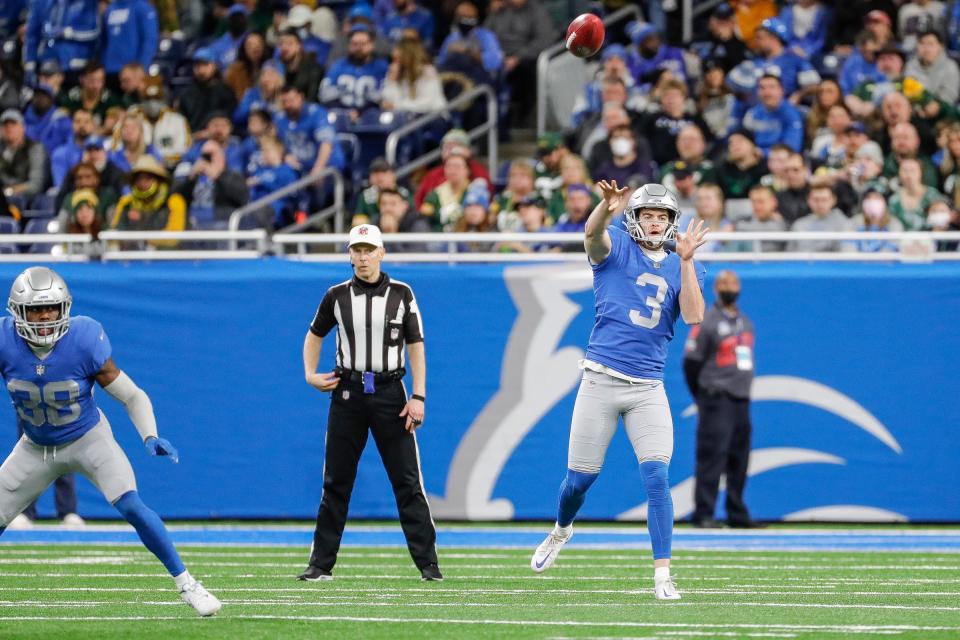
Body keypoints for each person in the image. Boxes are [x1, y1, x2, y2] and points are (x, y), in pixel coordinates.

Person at [0, 267, 221, 616]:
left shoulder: (84, 339)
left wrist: (150, 435)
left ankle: (188, 585)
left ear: (65, 308)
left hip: (87, 438)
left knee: (131, 505)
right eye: (35, 310)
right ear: (17, 313)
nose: (45, 316)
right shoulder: (4, 341)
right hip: (36, 447)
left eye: (52, 308)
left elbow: (132, 396)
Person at [530, 180, 708, 601]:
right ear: (634, 217)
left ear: (671, 223)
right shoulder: (617, 247)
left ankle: (662, 575)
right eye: (647, 214)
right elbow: (591, 235)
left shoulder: (687, 263)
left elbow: (695, 316)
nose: (653, 222)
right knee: (579, 480)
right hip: (601, 379)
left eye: (661, 216)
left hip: (648, 386)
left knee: (657, 475)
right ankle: (561, 530)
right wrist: (604, 208)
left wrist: (685, 262)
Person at [298, 224, 440, 583]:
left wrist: (419, 395)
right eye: (356, 250)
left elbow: (416, 346)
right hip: (347, 392)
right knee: (336, 481)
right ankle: (320, 565)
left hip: (392, 394)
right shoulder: (336, 295)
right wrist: (310, 373)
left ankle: (429, 565)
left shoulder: (402, 293)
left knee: (407, 480)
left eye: (368, 249)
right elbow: (314, 334)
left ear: (381, 252)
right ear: (349, 254)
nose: (362, 256)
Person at [683, 269, 759, 529]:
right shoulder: (707, 320)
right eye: (725, 283)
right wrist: (704, 394)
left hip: (741, 398)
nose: (731, 286)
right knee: (712, 456)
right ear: (716, 288)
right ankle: (704, 512)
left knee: (740, 457)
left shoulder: (745, 321)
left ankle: (737, 512)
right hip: (716, 397)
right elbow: (691, 363)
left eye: (735, 282)